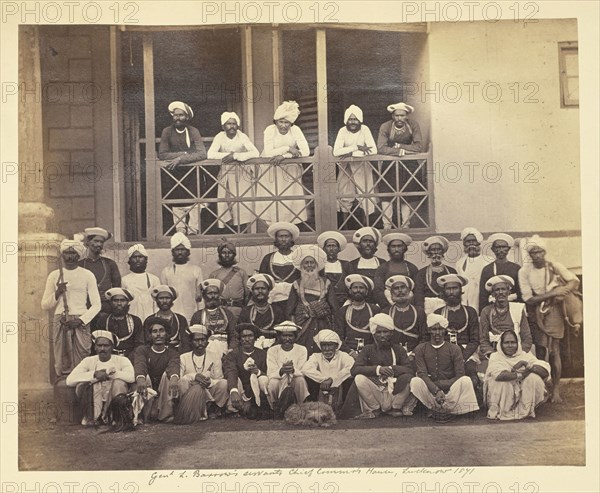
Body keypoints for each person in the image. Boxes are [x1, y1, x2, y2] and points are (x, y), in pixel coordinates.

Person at [519, 235, 580, 403]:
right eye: (533, 252)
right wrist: (553, 292)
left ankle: (556, 390)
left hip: (554, 311)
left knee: (555, 350)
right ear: (529, 255)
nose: (537, 255)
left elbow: (574, 281)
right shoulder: (524, 271)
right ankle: (542, 389)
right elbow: (528, 298)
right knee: (540, 350)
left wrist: (563, 291)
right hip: (535, 312)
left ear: (544, 252)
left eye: (539, 252)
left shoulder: (554, 266)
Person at [41, 239, 101, 377]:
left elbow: (97, 304)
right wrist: (57, 293)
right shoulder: (54, 275)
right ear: (62, 255)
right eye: (66, 253)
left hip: (81, 321)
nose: (70, 256)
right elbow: (45, 304)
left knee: (83, 358)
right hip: (61, 321)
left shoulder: (87, 275)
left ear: (78, 255)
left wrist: (81, 321)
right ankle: (64, 390)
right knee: (62, 360)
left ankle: (81, 390)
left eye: (73, 253)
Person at [410, 314, 479, 420]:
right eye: (434, 329)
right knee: (415, 381)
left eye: (440, 329)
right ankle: (436, 408)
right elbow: (422, 373)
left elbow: (460, 374)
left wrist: (442, 386)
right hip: (431, 392)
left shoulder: (455, 349)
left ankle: (448, 409)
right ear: (429, 330)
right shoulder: (420, 349)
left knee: (465, 380)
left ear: (445, 330)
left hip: (451, 392)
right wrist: (436, 390)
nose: (437, 333)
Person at [351, 313, 415, 419]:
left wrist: (392, 369)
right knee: (359, 378)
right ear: (373, 334)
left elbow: (409, 369)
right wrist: (378, 369)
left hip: (394, 392)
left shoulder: (398, 349)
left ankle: (396, 408)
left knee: (410, 379)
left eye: (385, 332)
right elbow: (354, 370)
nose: (382, 335)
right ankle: (374, 409)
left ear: (391, 333)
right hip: (377, 392)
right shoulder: (367, 349)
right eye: (378, 332)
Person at [158, 101, 207, 235]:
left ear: (187, 117)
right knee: (177, 203)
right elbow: (162, 154)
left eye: (181, 115)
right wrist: (182, 153)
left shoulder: (193, 131)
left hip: (192, 173)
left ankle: (193, 232)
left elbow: (202, 153)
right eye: (175, 115)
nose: (178, 118)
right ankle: (179, 231)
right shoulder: (167, 131)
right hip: (174, 174)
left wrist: (181, 158)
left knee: (194, 202)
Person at [66, 330, 135, 426]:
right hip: (94, 400)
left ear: (112, 347)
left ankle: (115, 418)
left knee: (119, 383)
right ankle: (92, 418)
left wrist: (110, 374)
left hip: (113, 399)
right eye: (99, 345)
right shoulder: (88, 361)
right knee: (82, 385)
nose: (102, 349)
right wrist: (94, 374)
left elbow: (131, 377)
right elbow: (69, 380)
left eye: (106, 346)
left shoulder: (122, 360)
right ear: (95, 347)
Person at [258, 100, 310, 226]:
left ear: (291, 123)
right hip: (271, 168)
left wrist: (284, 156)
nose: (283, 125)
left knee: (289, 199)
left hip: (289, 170)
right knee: (273, 197)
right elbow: (270, 152)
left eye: (287, 122)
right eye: (281, 122)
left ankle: (287, 228)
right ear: (275, 121)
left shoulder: (296, 130)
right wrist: (288, 149)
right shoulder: (270, 130)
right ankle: (274, 228)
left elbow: (306, 151)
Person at [207, 112, 260, 230]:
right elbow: (210, 154)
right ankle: (228, 230)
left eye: (234, 123)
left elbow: (255, 153)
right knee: (226, 201)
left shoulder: (242, 136)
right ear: (223, 126)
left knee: (242, 203)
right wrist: (229, 155)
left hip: (242, 173)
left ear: (238, 125)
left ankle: (243, 230)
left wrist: (236, 156)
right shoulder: (219, 137)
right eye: (228, 124)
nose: (232, 126)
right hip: (226, 172)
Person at [376, 102, 424, 228]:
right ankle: (387, 225)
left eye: (402, 116)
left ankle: (405, 225)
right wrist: (399, 152)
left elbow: (418, 146)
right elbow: (381, 148)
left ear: (406, 116)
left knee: (406, 195)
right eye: (396, 115)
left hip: (408, 164)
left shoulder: (413, 125)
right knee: (387, 194)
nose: (399, 118)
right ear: (392, 116)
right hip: (389, 164)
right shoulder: (386, 126)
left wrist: (401, 146)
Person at [484, 330, 550, 420]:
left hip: (521, 393)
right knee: (502, 382)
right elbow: (499, 375)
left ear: (517, 343)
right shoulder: (495, 356)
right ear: (501, 344)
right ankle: (504, 411)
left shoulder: (524, 355)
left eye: (513, 342)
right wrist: (521, 374)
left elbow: (544, 370)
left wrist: (527, 365)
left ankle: (526, 410)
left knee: (533, 378)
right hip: (501, 396)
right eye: (506, 343)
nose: (510, 346)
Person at [286, 245, 339, 355]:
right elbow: (290, 309)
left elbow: (334, 307)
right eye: (306, 263)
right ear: (301, 266)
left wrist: (321, 309)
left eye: (312, 262)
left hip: (323, 323)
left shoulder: (326, 282)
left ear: (317, 265)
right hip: (303, 324)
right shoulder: (296, 284)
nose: (309, 265)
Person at [332, 104, 378, 228]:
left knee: (366, 195)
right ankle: (346, 227)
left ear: (360, 120)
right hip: (346, 167)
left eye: (355, 119)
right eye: (350, 119)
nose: (353, 122)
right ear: (346, 120)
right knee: (345, 195)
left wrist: (350, 153)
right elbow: (336, 152)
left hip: (362, 167)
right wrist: (356, 148)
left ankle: (366, 226)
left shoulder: (365, 129)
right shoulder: (342, 131)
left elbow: (373, 150)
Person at [433, 274, 481, 391]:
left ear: (461, 290)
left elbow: (475, 340)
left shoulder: (470, 312)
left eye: (455, 288)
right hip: (443, 353)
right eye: (448, 289)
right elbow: (435, 338)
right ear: (444, 291)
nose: (452, 292)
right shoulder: (437, 313)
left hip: (466, 353)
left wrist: (462, 358)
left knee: (471, 377)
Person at [176, 324, 228, 423]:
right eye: (196, 340)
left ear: (207, 342)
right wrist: (194, 376)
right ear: (191, 342)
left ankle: (212, 408)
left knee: (224, 383)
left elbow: (219, 378)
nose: (200, 343)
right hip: (190, 393)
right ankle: (189, 410)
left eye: (203, 340)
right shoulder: (183, 357)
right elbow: (180, 378)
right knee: (182, 382)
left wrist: (209, 382)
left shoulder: (215, 356)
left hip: (209, 390)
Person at [133, 317, 181, 423]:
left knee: (168, 376)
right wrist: (140, 378)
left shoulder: (172, 353)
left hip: (163, 391)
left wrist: (174, 378)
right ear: (150, 335)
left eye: (161, 331)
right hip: (147, 389)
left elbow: (174, 366)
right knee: (144, 377)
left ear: (167, 334)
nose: (158, 334)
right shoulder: (142, 350)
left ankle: (166, 413)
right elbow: (140, 364)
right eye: (154, 331)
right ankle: (142, 413)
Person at [223, 323, 270, 418]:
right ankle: (235, 407)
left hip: (256, 389)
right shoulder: (233, 354)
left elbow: (268, 373)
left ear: (255, 338)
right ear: (240, 339)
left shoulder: (263, 354)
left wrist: (258, 372)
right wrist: (234, 391)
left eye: (250, 336)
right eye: (244, 336)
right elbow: (231, 372)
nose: (247, 339)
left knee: (263, 379)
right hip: (240, 388)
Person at [479, 275, 533, 359]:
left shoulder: (518, 310)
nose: (501, 292)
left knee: (539, 368)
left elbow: (527, 338)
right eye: (497, 290)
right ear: (493, 294)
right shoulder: (486, 311)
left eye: (503, 289)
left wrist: (518, 354)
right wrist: (492, 355)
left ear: (509, 292)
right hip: (495, 353)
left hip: (518, 352)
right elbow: (483, 340)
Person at [301, 330, 355, 413]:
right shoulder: (316, 356)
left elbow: (351, 367)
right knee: (307, 378)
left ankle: (343, 410)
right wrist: (324, 379)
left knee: (351, 378)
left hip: (340, 388)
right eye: (323, 345)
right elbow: (306, 369)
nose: (326, 349)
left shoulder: (343, 355)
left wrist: (333, 380)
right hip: (321, 387)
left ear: (336, 346)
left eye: (330, 345)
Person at [266, 321, 310, 416]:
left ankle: (302, 407)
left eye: (290, 336)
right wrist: (281, 371)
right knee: (273, 383)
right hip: (279, 380)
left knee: (300, 380)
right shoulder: (272, 350)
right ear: (279, 337)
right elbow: (270, 373)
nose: (287, 339)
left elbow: (303, 371)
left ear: (295, 337)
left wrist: (293, 370)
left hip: (295, 379)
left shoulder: (302, 349)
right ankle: (276, 408)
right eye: (284, 336)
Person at [335, 227, 385, 305]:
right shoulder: (351, 265)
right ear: (359, 245)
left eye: (371, 241)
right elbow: (343, 289)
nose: (368, 244)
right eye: (364, 241)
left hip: (378, 305)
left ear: (375, 245)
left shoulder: (383, 264)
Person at [160, 232, 203, 321]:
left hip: (191, 314)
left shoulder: (196, 270)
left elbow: (200, 298)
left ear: (188, 252)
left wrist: (200, 316)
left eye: (183, 249)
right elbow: (163, 296)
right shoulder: (166, 271)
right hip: (172, 315)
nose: (180, 252)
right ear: (172, 252)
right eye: (177, 249)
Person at [79, 227, 121, 317]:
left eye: (101, 242)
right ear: (88, 243)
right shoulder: (80, 264)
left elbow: (117, 288)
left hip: (105, 309)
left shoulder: (110, 264)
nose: (99, 244)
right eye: (96, 241)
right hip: (85, 308)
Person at [258, 222, 301, 310]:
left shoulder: (298, 258)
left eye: (286, 236)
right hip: (273, 301)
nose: (284, 239)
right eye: (280, 236)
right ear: (276, 239)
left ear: (291, 239)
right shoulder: (268, 258)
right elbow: (262, 280)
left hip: (294, 300)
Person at [95, 288, 144, 362]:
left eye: (122, 300)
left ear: (128, 303)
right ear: (111, 303)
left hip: (130, 358)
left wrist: (129, 358)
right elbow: (98, 343)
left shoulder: (135, 321)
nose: (119, 303)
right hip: (107, 358)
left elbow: (139, 345)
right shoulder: (103, 321)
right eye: (115, 300)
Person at [382, 275, 427, 357]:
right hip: (391, 354)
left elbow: (424, 337)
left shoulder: (419, 311)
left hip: (415, 354)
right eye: (396, 288)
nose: (400, 291)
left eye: (403, 287)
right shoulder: (385, 312)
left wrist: (413, 354)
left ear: (409, 291)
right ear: (391, 294)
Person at [335, 274, 380, 355]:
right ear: (350, 291)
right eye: (355, 287)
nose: (358, 290)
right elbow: (339, 336)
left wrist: (370, 351)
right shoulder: (343, 311)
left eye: (361, 288)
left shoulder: (375, 310)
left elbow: (379, 335)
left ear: (366, 292)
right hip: (348, 351)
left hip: (370, 351)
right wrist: (350, 352)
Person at [190, 279, 237, 357]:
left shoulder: (227, 314)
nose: (213, 296)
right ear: (204, 296)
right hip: (204, 351)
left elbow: (234, 335)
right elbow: (192, 337)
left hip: (225, 351)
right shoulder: (197, 315)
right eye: (210, 293)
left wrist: (231, 349)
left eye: (215, 293)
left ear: (219, 295)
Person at [238, 274, 285, 350]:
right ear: (252, 291)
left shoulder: (277, 310)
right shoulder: (246, 311)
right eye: (257, 289)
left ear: (269, 291)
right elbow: (241, 334)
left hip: (273, 347)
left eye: (263, 288)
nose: (260, 291)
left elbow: (281, 334)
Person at [208, 238, 249, 325]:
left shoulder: (241, 273)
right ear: (219, 255)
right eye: (223, 253)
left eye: (229, 253)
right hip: (221, 310)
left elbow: (247, 294)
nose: (226, 255)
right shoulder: (214, 275)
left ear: (233, 255)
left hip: (238, 310)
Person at [373, 233, 418, 308]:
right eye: (393, 246)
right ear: (389, 249)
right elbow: (378, 291)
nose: (396, 249)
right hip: (388, 306)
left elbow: (417, 290)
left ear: (404, 248)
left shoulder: (412, 268)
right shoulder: (383, 268)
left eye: (399, 246)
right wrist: (387, 307)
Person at [479, 233, 522, 311]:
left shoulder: (516, 268)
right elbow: (483, 295)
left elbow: (520, 293)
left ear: (508, 249)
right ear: (493, 249)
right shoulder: (487, 269)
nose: (501, 250)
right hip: (493, 308)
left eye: (503, 247)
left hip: (513, 307)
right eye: (497, 247)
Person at [413, 235, 457, 313]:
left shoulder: (451, 271)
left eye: (438, 249)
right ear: (428, 253)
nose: (436, 252)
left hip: (447, 306)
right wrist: (421, 311)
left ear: (442, 252)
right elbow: (418, 295)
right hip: (428, 308)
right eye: (433, 250)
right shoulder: (421, 273)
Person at [144, 285, 190, 353]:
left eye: (167, 298)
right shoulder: (149, 320)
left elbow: (186, 343)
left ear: (172, 300)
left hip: (177, 353)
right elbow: (147, 343)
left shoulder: (180, 319)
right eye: (161, 298)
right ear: (156, 300)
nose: (164, 301)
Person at [121, 244, 161, 322]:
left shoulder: (154, 279)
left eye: (140, 257)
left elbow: (157, 304)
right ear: (130, 260)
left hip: (150, 319)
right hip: (131, 320)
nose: (137, 259)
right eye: (134, 257)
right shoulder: (124, 280)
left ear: (146, 260)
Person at [455, 227, 491, 313]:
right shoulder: (459, 263)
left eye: (474, 241)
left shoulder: (488, 260)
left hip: (481, 300)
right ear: (464, 244)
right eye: (468, 241)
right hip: (464, 301)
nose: (471, 244)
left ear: (479, 242)